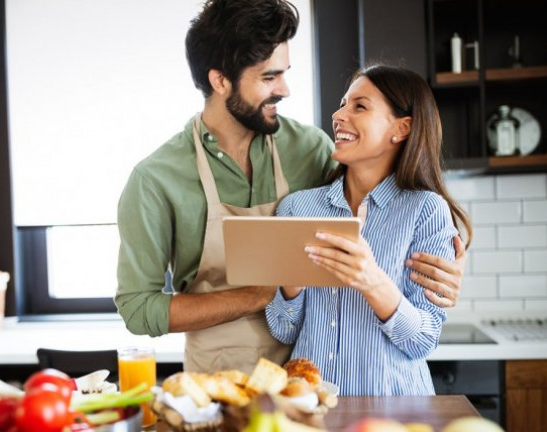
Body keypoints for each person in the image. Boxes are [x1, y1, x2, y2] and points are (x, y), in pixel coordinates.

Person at [114, 0, 466, 374]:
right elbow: (138, 309)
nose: (285, 89)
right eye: (269, 77)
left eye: (285, 73)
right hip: (219, 383)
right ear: (221, 81)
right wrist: (258, 295)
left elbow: (383, 207)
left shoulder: (312, 150)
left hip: (310, 384)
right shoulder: (156, 179)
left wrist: (442, 273)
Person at [265, 64, 473, 395]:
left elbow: (423, 340)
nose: (339, 114)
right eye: (343, 103)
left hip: (395, 411)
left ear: (402, 128)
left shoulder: (425, 210)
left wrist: (372, 280)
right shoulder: (297, 209)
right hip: (312, 408)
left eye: (359, 106)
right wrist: (291, 286)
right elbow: (282, 328)